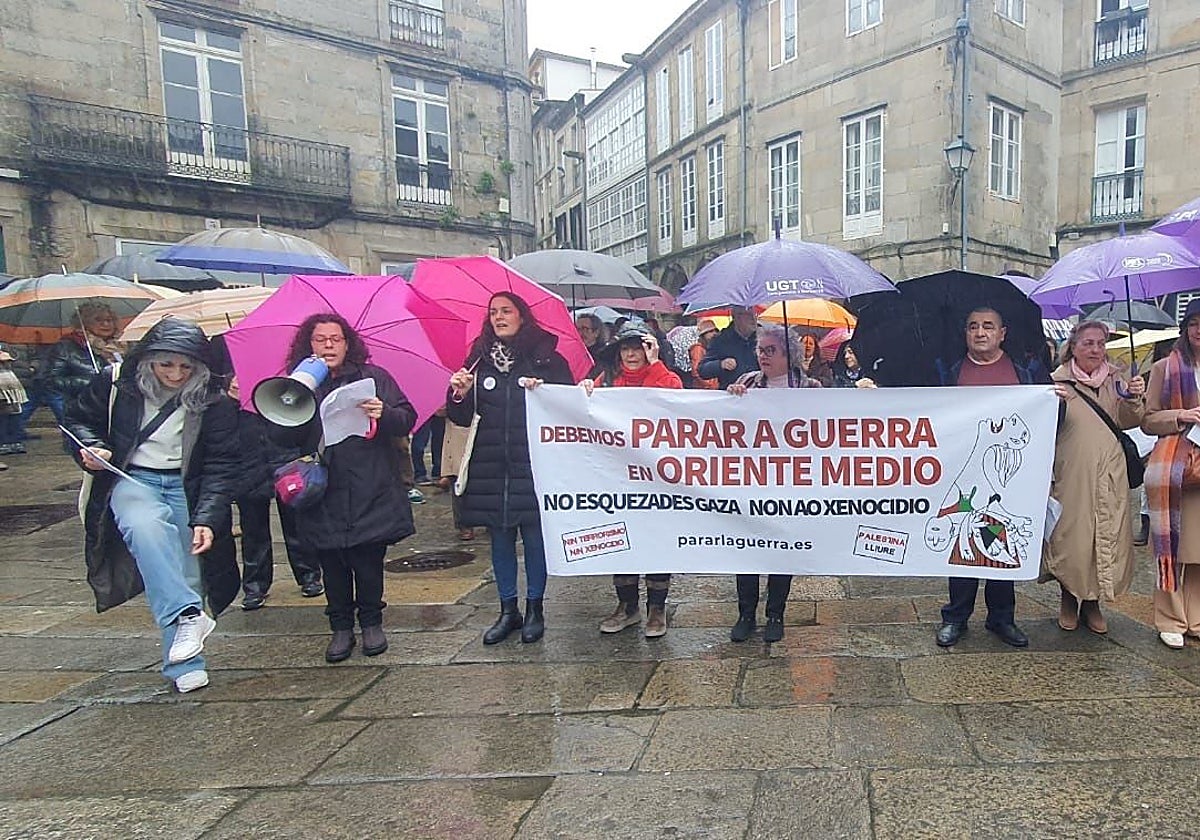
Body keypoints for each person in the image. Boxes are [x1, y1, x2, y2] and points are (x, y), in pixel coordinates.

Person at [65, 319, 240, 694]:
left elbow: (222, 464)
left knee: (186, 569)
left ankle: (183, 662)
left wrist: (207, 517)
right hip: (131, 477)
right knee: (145, 530)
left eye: (185, 366)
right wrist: (91, 450)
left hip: (185, 484)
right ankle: (187, 618)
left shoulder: (214, 399)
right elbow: (78, 420)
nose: (176, 374)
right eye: (166, 365)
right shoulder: (116, 383)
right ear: (149, 361)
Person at [272, 313, 417, 662]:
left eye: (335, 339)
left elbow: (406, 419)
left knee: (367, 560)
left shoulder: (374, 377)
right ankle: (340, 626)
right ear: (309, 345)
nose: (328, 345)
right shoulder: (297, 384)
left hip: (370, 484)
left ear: (347, 343)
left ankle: (370, 622)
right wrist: (294, 402)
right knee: (331, 562)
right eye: (320, 339)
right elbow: (279, 436)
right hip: (323, 489)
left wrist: (384, 414)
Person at [448, 292, 573, 645]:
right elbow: (459, 416)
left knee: (534, 537)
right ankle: (508, 610)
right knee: (499, 538)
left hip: (533, 461)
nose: (499, 317)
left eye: (506, 311)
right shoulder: (477, 360)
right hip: (490, 465)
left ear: (522, 316)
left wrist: (545, 391)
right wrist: (458, 393)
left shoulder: (546, 359)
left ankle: (535, 608)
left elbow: (569, 407)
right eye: (493, 312)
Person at [934, 306, 1044, 649]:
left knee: (999, 543)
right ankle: (955, 617)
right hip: (965, 475)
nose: (980, 333)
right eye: (973, 327)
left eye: (988, 326)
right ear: (965, 333)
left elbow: (1044, 421)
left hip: (1011, 478)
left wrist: (1057, 400)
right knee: (963, 547)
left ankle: (1002, 617)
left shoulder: (1024, 374)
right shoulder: (950, 373)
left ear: (1002, 333)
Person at [1041, 321, 1145, 634]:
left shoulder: (1117, 379)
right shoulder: (1056, 382)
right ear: (1073, 346)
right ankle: (1069, 598)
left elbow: (1130, 421)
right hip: (1071, 472)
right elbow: (1044, 427)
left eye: (1100, 344)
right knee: (1073, 537)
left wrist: (1134, 399)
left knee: (1106, 535)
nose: (1096, 350)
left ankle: (1093, 602)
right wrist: (1051, 403)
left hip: (1110, 472)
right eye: (1088, 343)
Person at [583, 322, 684, 638]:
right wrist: (584, 390)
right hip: (617, 477)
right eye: (625, 348)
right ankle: (627, 606)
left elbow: (674, 399)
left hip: (656, 478)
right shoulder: (608, 382)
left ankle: (657, 607)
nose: (631, 354)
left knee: (656, 539)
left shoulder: (664, 376)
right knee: (621, 537)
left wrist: (655, 366)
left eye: (638, 347)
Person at [726, 324, 822, 642]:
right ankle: (745, 613)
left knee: (782, 548)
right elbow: (723, 423)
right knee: (746, 548)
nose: (762, 356)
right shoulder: (747, 382)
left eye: (770, 350)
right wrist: (732, 398)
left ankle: (775, 613)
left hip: (790, 484)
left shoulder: (810, 388)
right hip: (751, 481)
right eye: (760, 350)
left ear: (788, 355)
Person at [226, 375, 324, 610]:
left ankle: (309, 575)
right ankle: (255, 585)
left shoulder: (286, 373)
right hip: (247, 460)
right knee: (253, 529)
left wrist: (306, 453)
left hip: (285, 457)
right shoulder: (226, 363)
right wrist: (229, 394)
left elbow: (309, 413)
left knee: (296, 523)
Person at [1142, 299, 1200, 649]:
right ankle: (1170, 618)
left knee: (1199, 549)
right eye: (1194, 323)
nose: (1199, 331)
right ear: (1185, 330)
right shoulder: (1165, 368)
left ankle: (1195, 617)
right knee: (1173, 547)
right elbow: (1148, 420)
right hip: (1176, 469)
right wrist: (1181, 415)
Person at [44, 302, 125, 405]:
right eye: (98, 320)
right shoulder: (66, 346)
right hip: (83, 407)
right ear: (83, 323)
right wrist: (92, 381)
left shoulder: (122, 345)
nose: (105, 324)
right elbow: (50, 381)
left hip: (118, 405)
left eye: (109, 320)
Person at [698, 306, 758, 388]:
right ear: (737, 317)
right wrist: (720, 364)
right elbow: (702, 370)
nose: (753, 318)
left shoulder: (762, 337)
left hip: (759, 393)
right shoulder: (720, 340)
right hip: (733, 395)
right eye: (748, 315)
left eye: (755, 314)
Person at [0, 344, 28, 463]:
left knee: (14, 417)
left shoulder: (6, 345)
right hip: (3, 396)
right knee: (3, 420)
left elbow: (15, 358)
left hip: (13, 394)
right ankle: (4, 442)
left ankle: (15, 441)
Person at [689, 319, 720, 389]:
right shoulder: (698, 349)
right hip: (703, 390)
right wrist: (710, 386)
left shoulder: (713, 347)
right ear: (703, 335)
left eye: (716, 331)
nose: (714, 333)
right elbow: (696, 371)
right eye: (710, 331)